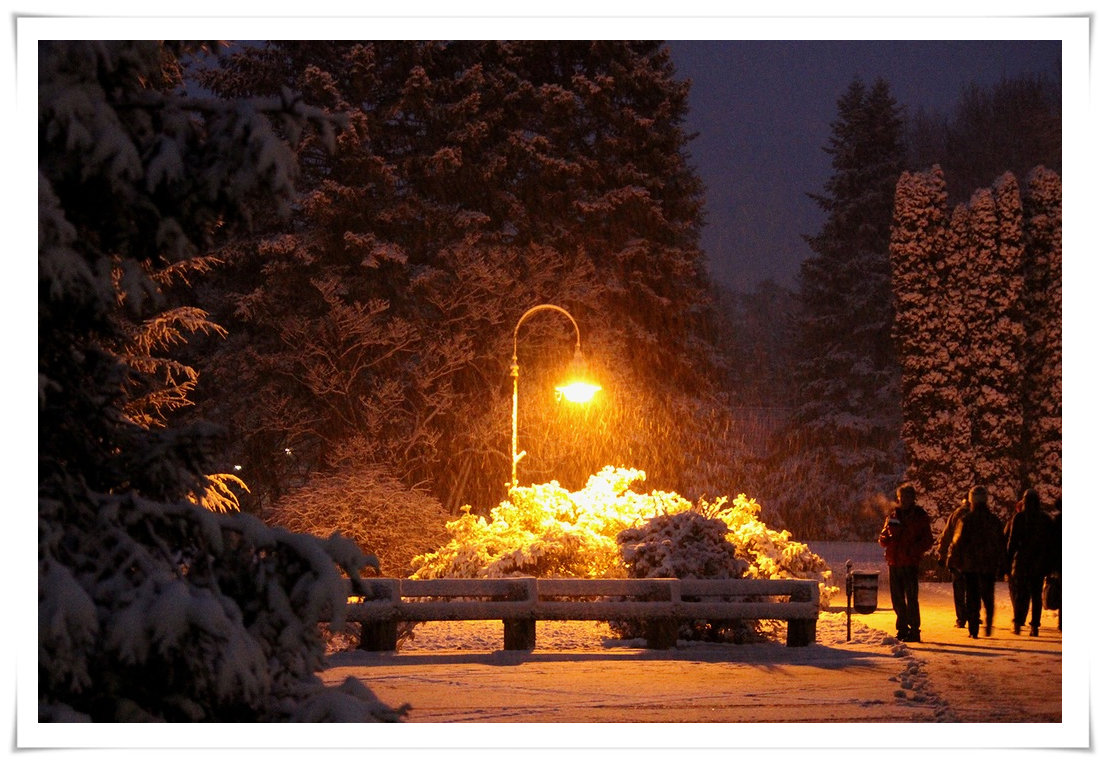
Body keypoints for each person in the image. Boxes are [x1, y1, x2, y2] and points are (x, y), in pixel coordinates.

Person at [947, 485, 1006, 639]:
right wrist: (1002, 563)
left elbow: (957, 542)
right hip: (989, 565)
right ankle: (988, 622)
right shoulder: (994, 521)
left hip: (970, 565)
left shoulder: (966, 520)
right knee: (988, 595)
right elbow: (1001, 543)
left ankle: (973, 629)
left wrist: (952, 560)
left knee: (972, 596)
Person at [878, 482, 934, 642]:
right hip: (894, 562)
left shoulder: (919, 516)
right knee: (897, 599)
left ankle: (914, 630)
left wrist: (913, 551)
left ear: (913, 498)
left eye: (907, 497)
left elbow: (927, 539)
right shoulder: (893, 515)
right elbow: (884, 537)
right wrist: (884, 538)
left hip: (909, 563)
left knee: (911, 598)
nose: (904, 500)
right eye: (902, 497)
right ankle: (902, 629)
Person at [936, 497, 971, 628]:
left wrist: (942, 555)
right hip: (974, 559)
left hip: (957, 558)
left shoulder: (956, 515)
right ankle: (974, 614)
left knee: (959, 590)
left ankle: (961, 618)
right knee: (973, 588)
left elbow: (946, 536)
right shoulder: (979, 516)